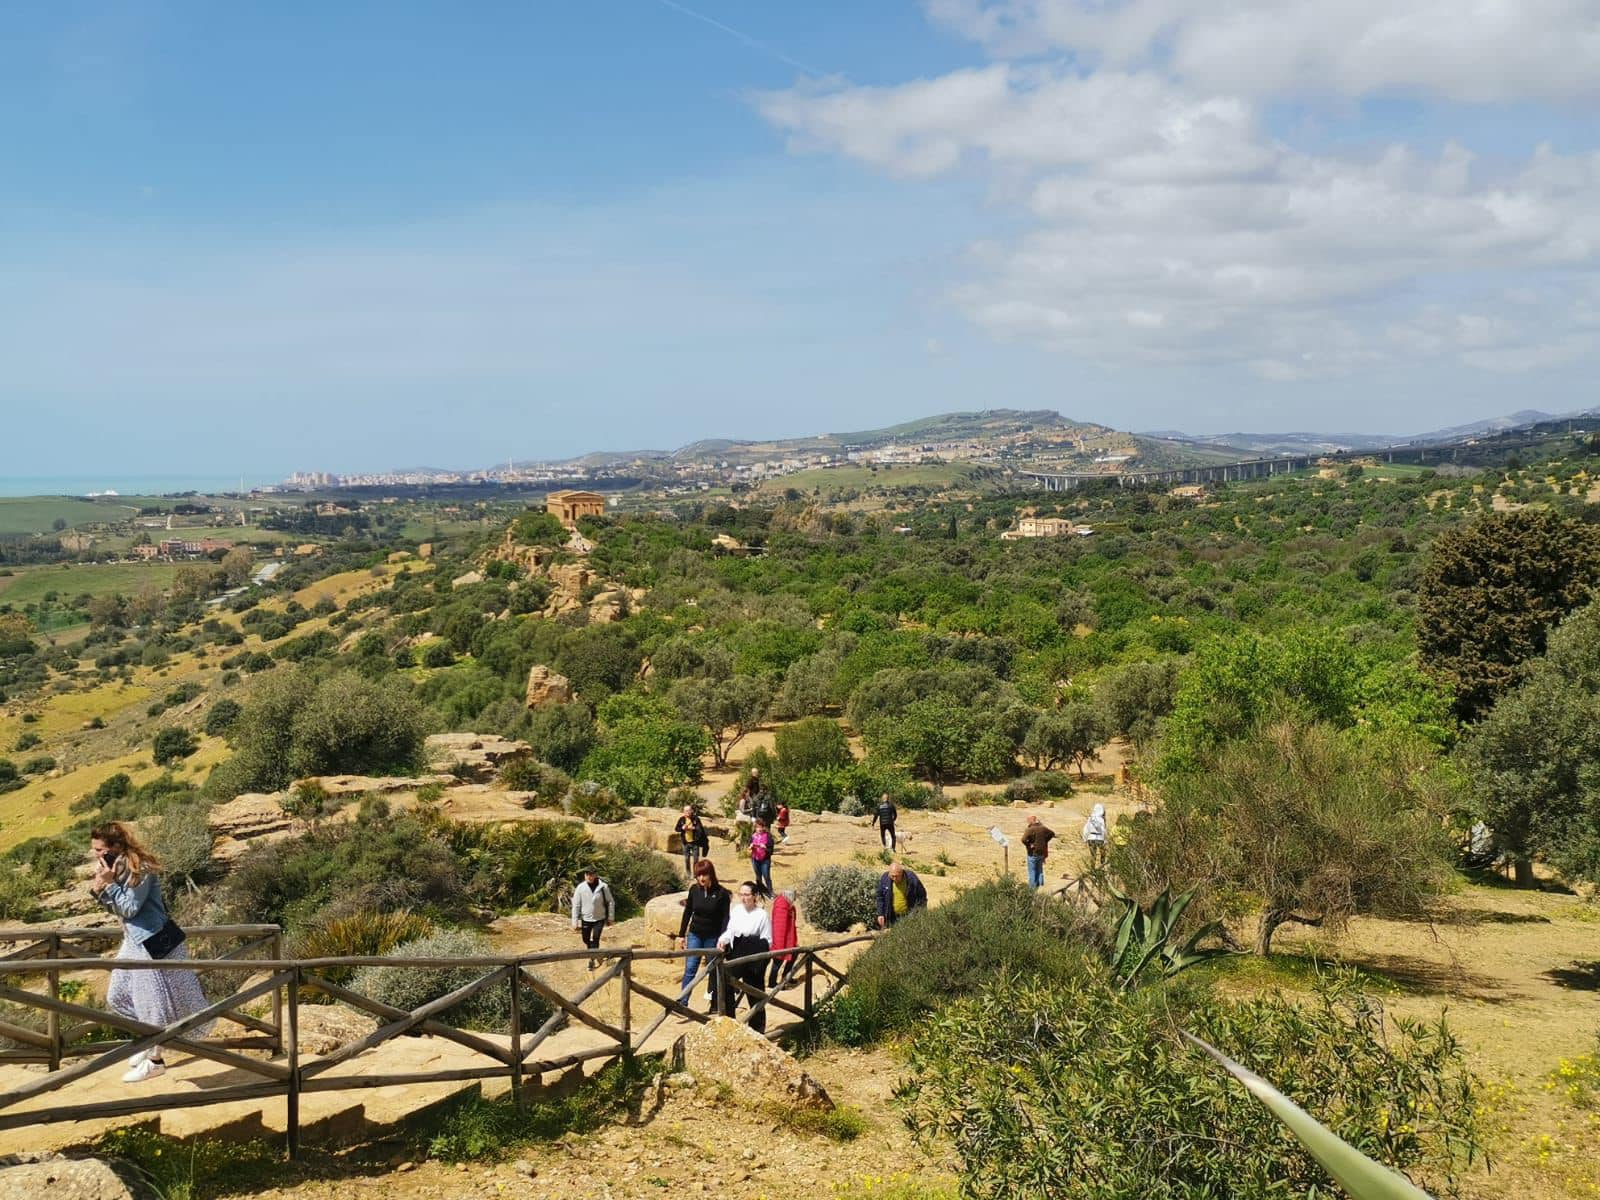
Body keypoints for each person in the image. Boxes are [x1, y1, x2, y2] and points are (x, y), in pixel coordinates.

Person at [88, 822, 211, 1084]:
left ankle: (155, 1060)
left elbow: (131, 908)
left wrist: (109, 885)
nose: (97, 855)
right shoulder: (116, 868)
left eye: (100, 849)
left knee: (152, 1004)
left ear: (117, 847)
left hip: (152, 941)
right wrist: (99, 889)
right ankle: (151, 1041)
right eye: (95, 850)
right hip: (133, 940)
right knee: (117, 996)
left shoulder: (139, 869)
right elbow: (118, 910)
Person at [718, 881, 773, 1033]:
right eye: (741, 894)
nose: (743, 898)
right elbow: (730, 930)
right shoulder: (736, 911)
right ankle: (729, 1023)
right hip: (738, 950)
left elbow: (768, 939)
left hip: (754, 953)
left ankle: (757, 1029)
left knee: (755, 992)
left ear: (754, 896)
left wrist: (760, 956)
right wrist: (723, 939)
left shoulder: (762, 915)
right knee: (726, 982)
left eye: (747, 894)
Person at [677, 860, 731, 1008]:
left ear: (711, 874)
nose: (701, 878)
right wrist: (681, 935)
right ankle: (683, 1001)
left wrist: (723, 938)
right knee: (690, 968)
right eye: (698, 875)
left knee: (713, 970)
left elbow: (726, 918)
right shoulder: (694, 890)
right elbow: (688, 912)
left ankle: (716, 1003)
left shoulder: (722, 894)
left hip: (713, 937)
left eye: (704, 874)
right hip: (695, 934)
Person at [571, 868, 615, 969]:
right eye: (587, 874)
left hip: (599, 918)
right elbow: (576, 905)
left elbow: (610, 902)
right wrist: (575, 921)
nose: (589, 877)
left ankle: (591, 959)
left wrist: (611, 917)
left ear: (595, 875)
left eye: (591, 874)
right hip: (586, 918)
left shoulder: (603, 887)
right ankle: (594, 952)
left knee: (596, 938)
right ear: (585, 875)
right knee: (585, 939)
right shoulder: (580, 888)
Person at [875, 861, 927, 929]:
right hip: (892, 917)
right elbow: (880, 896)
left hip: (909, 916)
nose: (894, 878)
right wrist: (880, 914)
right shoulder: (885, 878)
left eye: (897, 876)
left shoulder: (911, 878)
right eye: (892, 876)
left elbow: (922, 896)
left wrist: (919, 913)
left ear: (902, 873)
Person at [768, 888, 798, 989]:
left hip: (788, 940)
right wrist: (779, 946)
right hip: (781, 941)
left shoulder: (787, 906)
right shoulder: (782, 907)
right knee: (777, 962)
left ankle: (786, 977)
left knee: (794, 955)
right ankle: (772, 983)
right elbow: (779, 928)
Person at [1021, 814, 1057, 890]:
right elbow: (1052, 833)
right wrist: (1045, 841)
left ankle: (1032, 888)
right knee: (1039, 869)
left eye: (1028, 821)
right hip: (1041, 852)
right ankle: (1041, 886)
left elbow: (1023, 839)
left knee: (1032, 870)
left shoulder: (1030, 829)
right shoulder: (1043, 828)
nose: (1028, 822)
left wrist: (1029, 844)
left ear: (1031, 821)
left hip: (1032, 853)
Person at [674, 804, 709, 876]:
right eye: (685, 811)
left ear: (691, 811)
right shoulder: (681, 819)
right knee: (687, 858)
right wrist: (682, 828)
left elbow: (700, 830)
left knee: (696, 859)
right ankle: (688, 872)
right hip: (685, 842)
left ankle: (696, 873)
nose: (687, 812)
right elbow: (676, 829)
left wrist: (693, 828)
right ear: (683, 812)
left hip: (695, 842)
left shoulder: (696, 819)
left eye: (688, 810)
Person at [749, 818, 775, 895]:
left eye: (761, 827)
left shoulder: (768, 836)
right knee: (758, 877)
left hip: (765, 860)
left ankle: (770, 892)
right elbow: (749, 845)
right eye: (757, 827)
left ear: (764, 827)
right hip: (755, 859)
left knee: (766, 876)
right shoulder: (753, 836)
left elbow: (771, 850)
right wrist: (751, 846)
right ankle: (760, 892)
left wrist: (765, 847)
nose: (759, 829)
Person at [1082, 802, 1108, 869]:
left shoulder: (1090, 818)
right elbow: (1103, 830)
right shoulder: (1101, 819)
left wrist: (1085, 838)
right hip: (1100, 838)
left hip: (1091, 838)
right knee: (1103, 853)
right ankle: (1102, 866)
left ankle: (1092, 868)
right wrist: (1105, 839)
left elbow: (1086, 829)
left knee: (1093, 855)